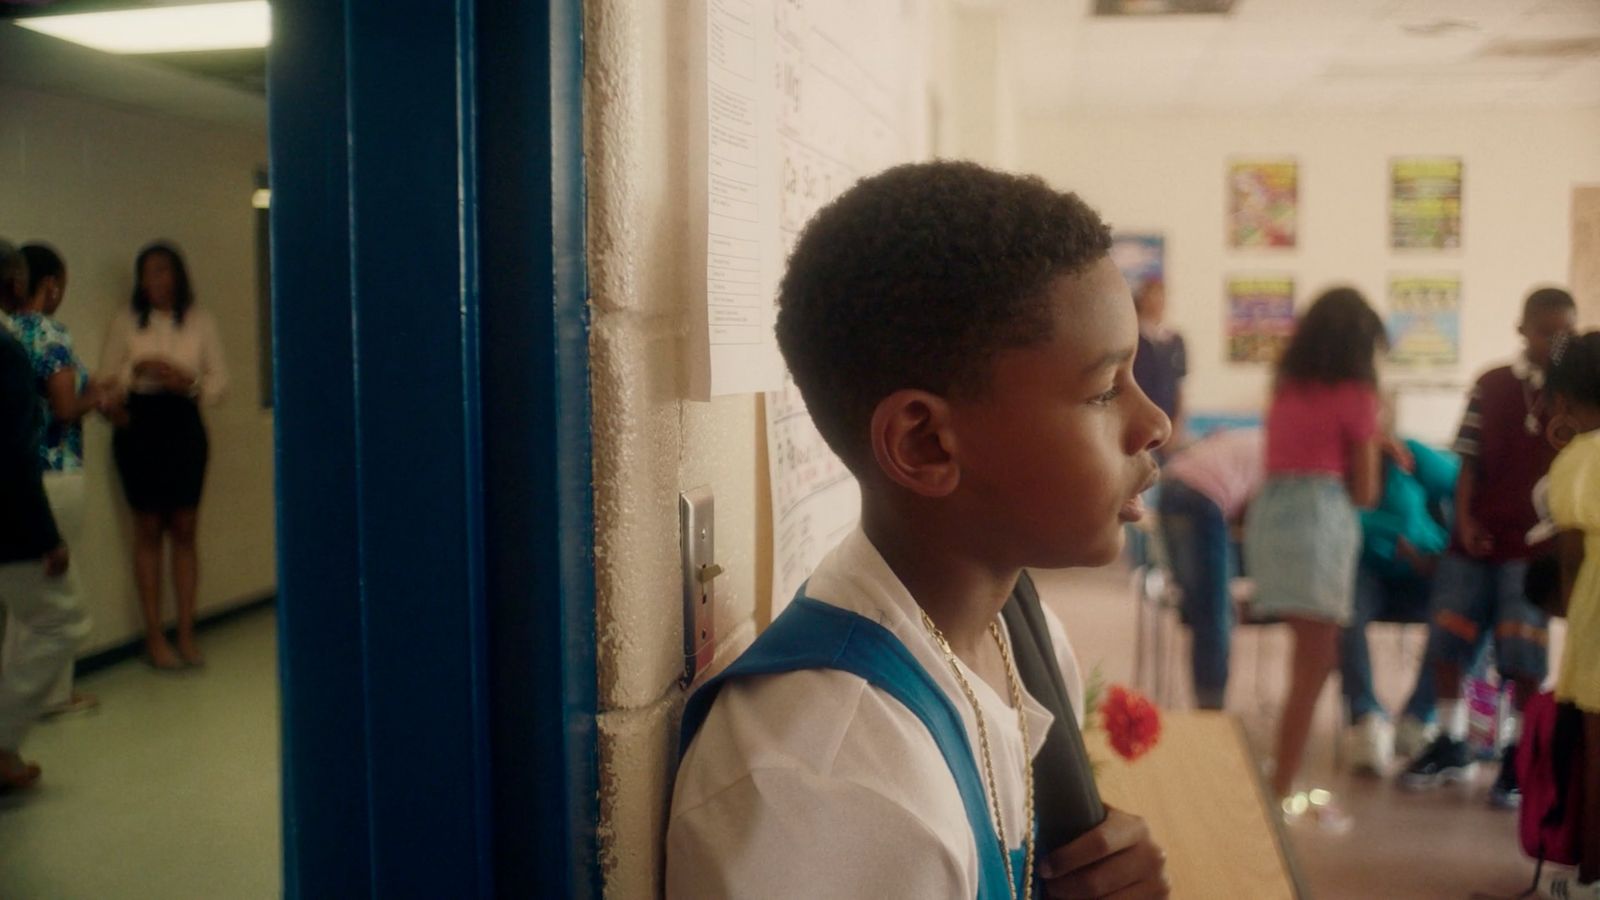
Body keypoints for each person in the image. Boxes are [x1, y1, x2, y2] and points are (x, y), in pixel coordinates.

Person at [666, 162, 1171, 898]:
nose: (1154, 422)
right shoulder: (831, 788)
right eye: (1102, 390)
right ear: (925, 444)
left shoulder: (1017, 628)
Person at [1400, 288, 1577, 808]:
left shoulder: (1576, 399)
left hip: (1532, 550)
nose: (1556, 342)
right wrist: (1466, 520)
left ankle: (1517, 753)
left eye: (1565, 332)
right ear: (1522, 330)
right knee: (1448, 637)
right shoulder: (1494, 385)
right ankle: (1452, 739)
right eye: (1546, 331)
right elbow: (1467, 464)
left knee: (1521, 652)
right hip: (1475, 541)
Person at [1244, 287, 1387, 806]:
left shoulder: (1287, 386)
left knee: (1305, 660)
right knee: (1315, 664)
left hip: (1274, 516)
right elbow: (1367, 492)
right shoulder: (1358, 394)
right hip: (1320, 522)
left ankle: (1281, 774)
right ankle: (1282, 787)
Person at [99, 242, 228, 670]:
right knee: (148, 528)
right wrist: (133, 372)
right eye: (148, 273)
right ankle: (155, 637)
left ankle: (187, 634)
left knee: (185, 528)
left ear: (177, 276)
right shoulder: (125, 321)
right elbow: (105, 384)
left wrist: (186, 381)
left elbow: (219, 384)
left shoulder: (199, 319)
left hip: (184, 426)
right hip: (140, 428)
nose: (155, 281)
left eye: (163, 271)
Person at [0, 238, 89, 789]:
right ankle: (2, 742)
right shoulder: (7, 351)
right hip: (13, 521)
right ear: (15, 284)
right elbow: (10, 453)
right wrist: (47, 536)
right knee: (65, 620)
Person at [1340, 437, 1458, 774]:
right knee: (1344, 609)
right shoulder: (1330, 467)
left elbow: (1467, 485)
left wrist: (1447, 550)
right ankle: (1366, 718)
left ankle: (1419, 718)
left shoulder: (1409, 455)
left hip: (1423, 567)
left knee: (1459, 605)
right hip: (1364, 569)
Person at [1536, 330, 1600, 900]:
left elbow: (1574, 560)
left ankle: (1591, 881)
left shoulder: (1578, 461)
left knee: (1597, 754)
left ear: (1566, 401)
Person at [1157, 426, 1264, 710]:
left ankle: (1206, 700)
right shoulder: (1277, 456)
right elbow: (1255, 516)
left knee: (1199, 604)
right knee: (1215, 612)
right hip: (1204, 496)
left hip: (1171, 483)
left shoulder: (1249, 436)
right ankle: (1211, 712)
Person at [1131, 279, 1186, 447]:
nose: (1157, 302)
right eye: (1152, 296)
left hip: (1167, 418)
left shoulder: (1175, 340)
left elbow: (1180, 385)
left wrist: (1178, 425)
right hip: (1138, 418)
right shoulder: (1133, 337)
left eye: (1161, 297)